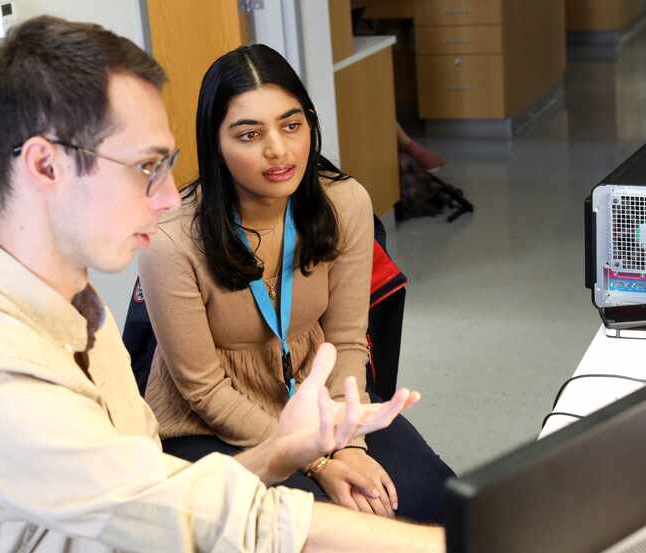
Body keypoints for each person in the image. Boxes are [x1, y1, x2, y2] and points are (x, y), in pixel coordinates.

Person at [0, 15, 445, 552]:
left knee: (428, 492)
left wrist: (285, 450)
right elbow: (205, 521)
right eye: (144, 167)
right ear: (46, 167)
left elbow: (165, 497)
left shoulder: (74, 311)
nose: (166, 198)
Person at [139, 44, 455, 523]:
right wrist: (316, 459)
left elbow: (348, 340)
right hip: (210, 421)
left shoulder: (343, 202)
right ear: (216, 145)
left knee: (435, 500)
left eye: (291, 126)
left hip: (320, 399)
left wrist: (348, 443)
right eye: (249, 134)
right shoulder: (171, 239)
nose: (279, 150)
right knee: (323, 523)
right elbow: (203, 390)